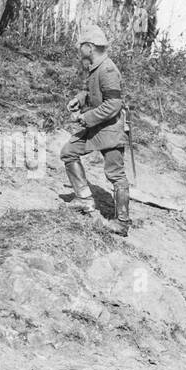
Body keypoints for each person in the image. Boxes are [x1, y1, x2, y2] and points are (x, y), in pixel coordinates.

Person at [60, 23, 129, 235]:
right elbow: (94, 94)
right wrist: (80, 99)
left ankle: (122, 222)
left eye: (81, 46)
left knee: (115, 175)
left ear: (89, 47)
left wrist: (87, 117)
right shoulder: (95, 68)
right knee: (68, 153)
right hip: (96, 126)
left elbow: (113, 104)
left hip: (109, 128)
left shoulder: (107, 69)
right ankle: (84, 200)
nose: (79, 49)